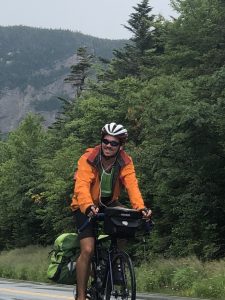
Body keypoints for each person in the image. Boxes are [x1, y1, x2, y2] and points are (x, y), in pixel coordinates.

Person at [71, 122, 152, 300]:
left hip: (109, 203)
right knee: (88, 249)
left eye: (113, 143)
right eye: (105, 141)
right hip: (84, 205)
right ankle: (81, 296)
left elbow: (132, 186)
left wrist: (141, 208)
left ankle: (117, 262)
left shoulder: (125, 161)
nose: (108, 145)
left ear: (120, 146)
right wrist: (88, 206)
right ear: (101, 141)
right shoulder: (89, 158)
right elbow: (82, 185)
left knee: (127, 218)